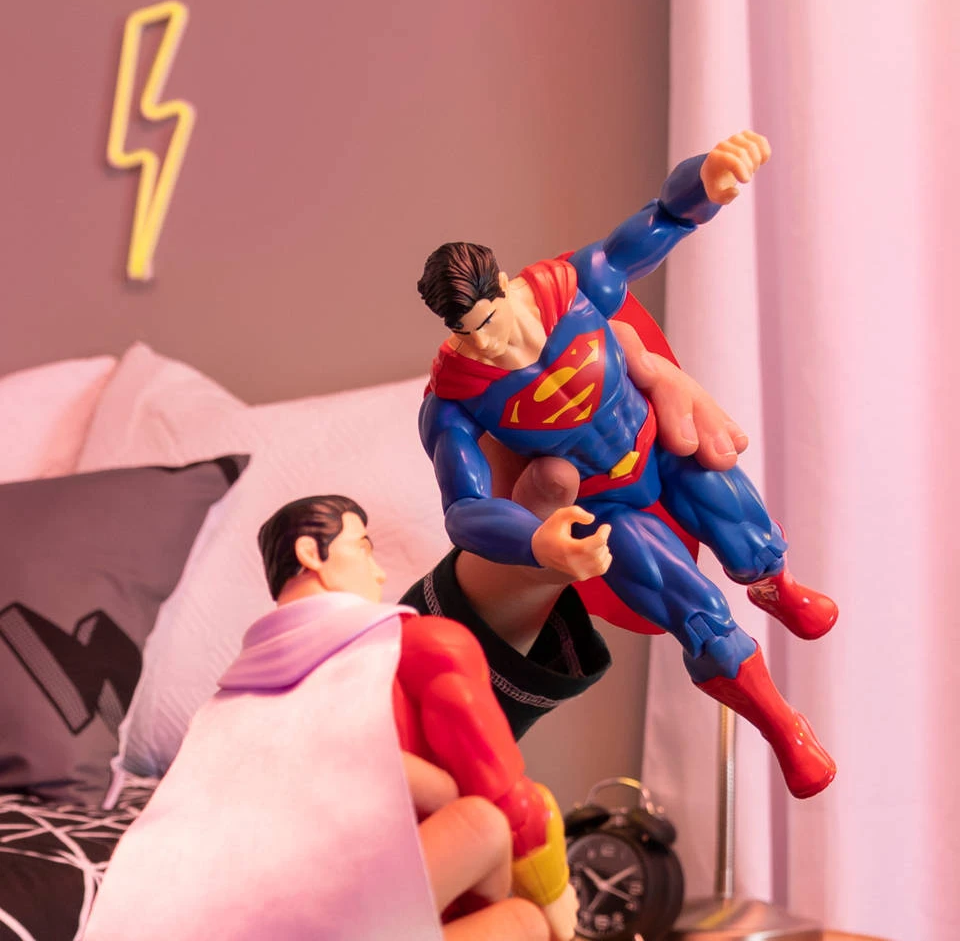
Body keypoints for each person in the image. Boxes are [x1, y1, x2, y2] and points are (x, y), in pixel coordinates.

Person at [414, 131, 838, 799]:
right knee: (698, 619)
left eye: (491, 321)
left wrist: (709, 180)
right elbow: (464, 509)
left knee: (748, 536)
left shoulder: (575, 288)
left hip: (659, 448)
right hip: (604, 501)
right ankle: (785, 728)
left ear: (504, 286)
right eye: (469, 334)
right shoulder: (456, 399)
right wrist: (536, 539)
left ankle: (773, 584)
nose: (489, 345)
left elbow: (661, 218)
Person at [84, 496, 576, 941]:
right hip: (368, 901)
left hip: (238, 912)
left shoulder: (227, 706)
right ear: (310, 554)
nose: (378, 573)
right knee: (510, 888)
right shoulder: (423, 645)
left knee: (482, 840)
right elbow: (502, 792)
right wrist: (553, 894)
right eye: (362, 548)